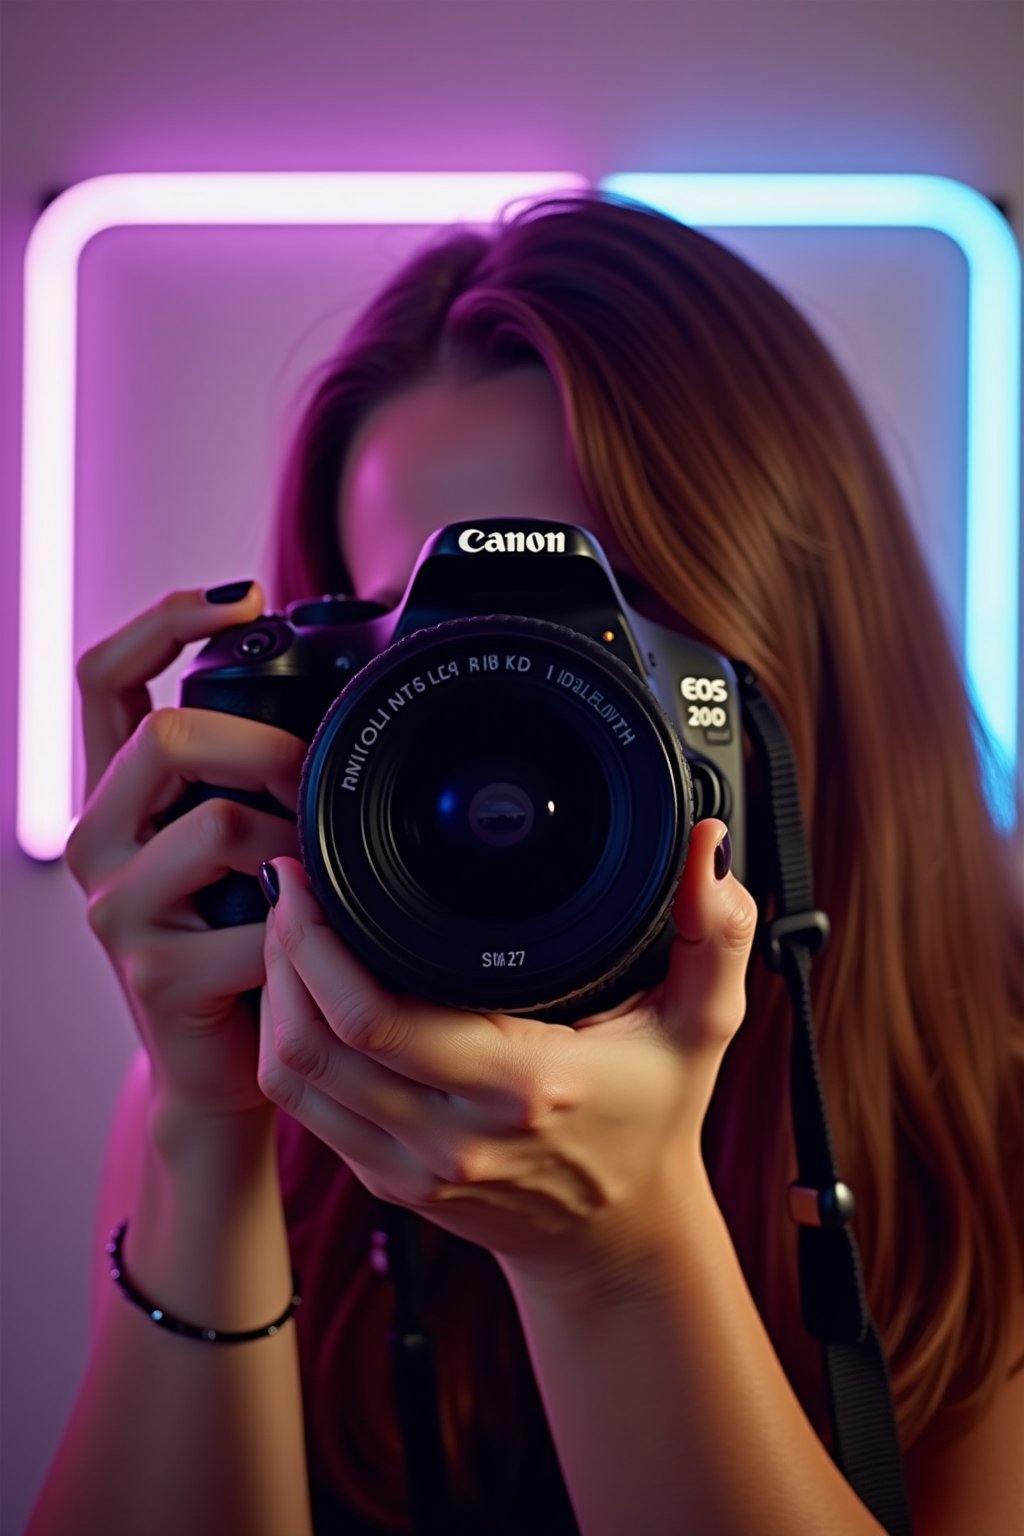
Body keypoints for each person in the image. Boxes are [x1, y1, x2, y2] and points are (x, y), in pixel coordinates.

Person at [28, 191, 1023, 1536]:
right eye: (411, 630)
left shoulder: (994, 1120)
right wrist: (207, 1130)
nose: (501, 723)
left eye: (599, 627)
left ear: (799, 667)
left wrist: (619, 1256)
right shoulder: (268, 1097)